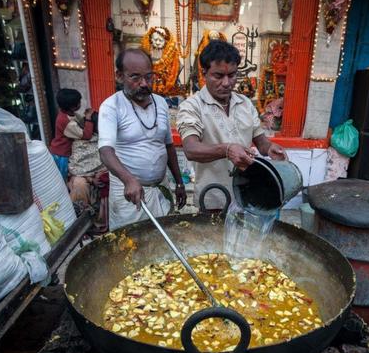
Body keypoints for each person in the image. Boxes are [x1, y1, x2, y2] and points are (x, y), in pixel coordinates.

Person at [177, 40, 286, 210]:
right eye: (218, 76)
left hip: (247, 196)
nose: (227, 83)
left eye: (232, 75)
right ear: (204, 73)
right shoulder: (192, 106)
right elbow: (191, 149)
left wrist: (270, 148)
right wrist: (226, 150)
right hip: (212, 199)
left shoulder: (245, 104)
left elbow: (262, 142)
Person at [98, 48, 186, 231]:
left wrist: (179, 182)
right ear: (120, 76)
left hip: (160, 188)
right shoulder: (111, 106)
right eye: (135, 78)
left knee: (163, 240)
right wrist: (128, 180)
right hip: (129, 195)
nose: (144, 83)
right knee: (130, 243)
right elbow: (105, 151)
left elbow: (168, 146)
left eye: (149, 76)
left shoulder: (161, 103)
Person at [49, 88, 94, 180]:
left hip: (62, 151)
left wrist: (86, 117)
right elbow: (86, 135)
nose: (81, 103)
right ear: (73, 106)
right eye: (79, 102)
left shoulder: (70, 113)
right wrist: (89, 119)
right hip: (61, 154)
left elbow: (80, 121)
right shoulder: (65, 121)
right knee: (62, 178)